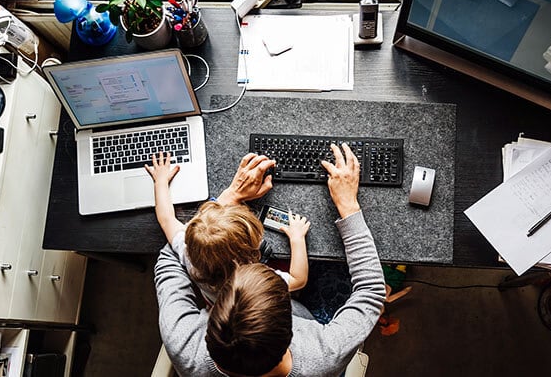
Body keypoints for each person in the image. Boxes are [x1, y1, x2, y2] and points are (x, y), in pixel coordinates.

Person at [153, 144, 386, 376]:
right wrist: (348, 205)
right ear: (289, 331)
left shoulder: (183, 345)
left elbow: (170, 257)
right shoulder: (324, 355)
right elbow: (371, 292)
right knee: (334, 272)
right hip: (310, 315)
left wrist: (227, 201)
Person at [145, 152, 311, 304]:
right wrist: (297, 239)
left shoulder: (188, 252)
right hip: (250, 301)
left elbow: (166, 219)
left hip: (216, 301)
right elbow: (298, 279)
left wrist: (160, 182)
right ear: (251, 252)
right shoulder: (255, 280)